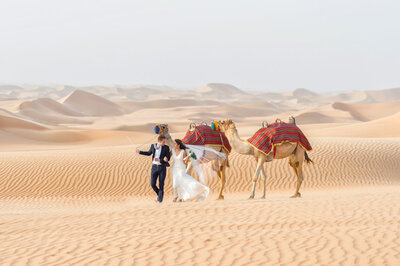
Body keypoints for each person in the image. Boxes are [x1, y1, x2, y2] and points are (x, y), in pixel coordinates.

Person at [136, 135, 171, 203]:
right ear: (159, 141)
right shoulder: (153, 146)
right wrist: (139, 152)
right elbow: (149, 153)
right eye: (163, 142)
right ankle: (159, 195)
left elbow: (168, 157)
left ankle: (160, 201)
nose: (164, 143)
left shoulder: (166, 147)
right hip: (154, 167)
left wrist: (166, 158)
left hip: (162, 167)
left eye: (165, 142)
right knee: (152, 184)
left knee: (161, 184)